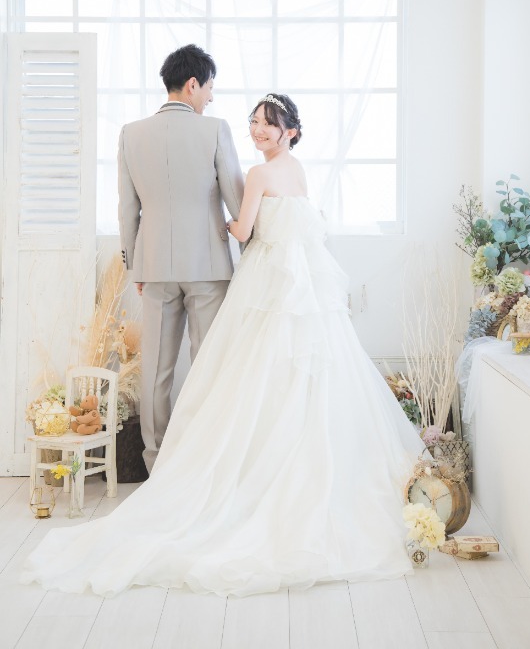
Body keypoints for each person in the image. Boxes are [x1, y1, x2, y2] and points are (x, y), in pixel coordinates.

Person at [20, 93, 426, 598]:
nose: (257, 131)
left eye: (268, 124)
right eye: (254, 122)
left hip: (266, 283)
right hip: (303, 286)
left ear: (290, 131)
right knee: (297, 377)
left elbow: (244, 229)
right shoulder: (297, 171)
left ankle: (205, 469)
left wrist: (222, 224)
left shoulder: (257, 174)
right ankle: (292, 471)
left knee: (241, 375)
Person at [117, 44, 244, 472]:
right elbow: (236, 202)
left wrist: (135, 264)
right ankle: (205, 461)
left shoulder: (131, 134)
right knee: (208, 365)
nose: (211, 96)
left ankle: (157, 463)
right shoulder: (215, 130)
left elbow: (127, 209)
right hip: (209, 268)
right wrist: (252, 256)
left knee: (155, 370)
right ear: (192, 84)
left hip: (154, 267)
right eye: (209, 88)